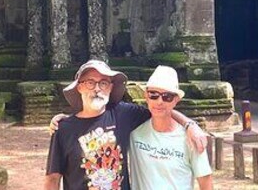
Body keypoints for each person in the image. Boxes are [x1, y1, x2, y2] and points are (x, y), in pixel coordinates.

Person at [44, 59, 206, 190]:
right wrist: (66, 119)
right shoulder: (64, 129)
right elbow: (52, 180)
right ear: (79, 87)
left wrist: (189, 124)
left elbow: (159, 109)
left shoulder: (123, 114)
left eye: (103, 83)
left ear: (110, 87)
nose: (97, 89)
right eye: (90, 83)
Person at [129, 66, 213, 189]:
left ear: (176, 100)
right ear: (146, 96)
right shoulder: (134, 132)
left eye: (167, 97)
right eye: (153, 95)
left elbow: (206, 183)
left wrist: (190, 125)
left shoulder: (191, 138)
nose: (159, 101)